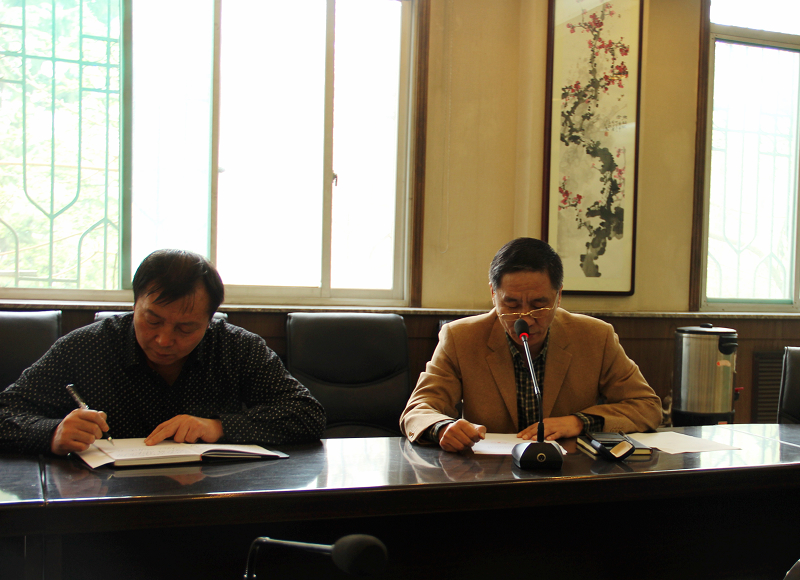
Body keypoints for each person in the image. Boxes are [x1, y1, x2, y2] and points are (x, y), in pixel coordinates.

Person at [0, 249, 326, 455]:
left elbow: (307, 415)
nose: (164, 340)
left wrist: (217, 427)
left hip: (210, 503)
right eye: (152, 320)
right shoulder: (85, 347)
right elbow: (6, 413)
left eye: (186, 328)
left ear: (210, 320)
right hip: (106, 507)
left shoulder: (237, 348)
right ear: (134, 304)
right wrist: (53, 432)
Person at [400, 237, 661, 453]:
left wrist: (579, 422)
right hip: (489, 475)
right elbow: (419, 409)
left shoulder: (595, 336)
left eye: (539, 305)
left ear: (559, 296)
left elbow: (647, 406)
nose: (524, 319)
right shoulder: (460, 338)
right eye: (511, 304)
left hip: (569, 474)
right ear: (493, 294)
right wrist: (442, 428)